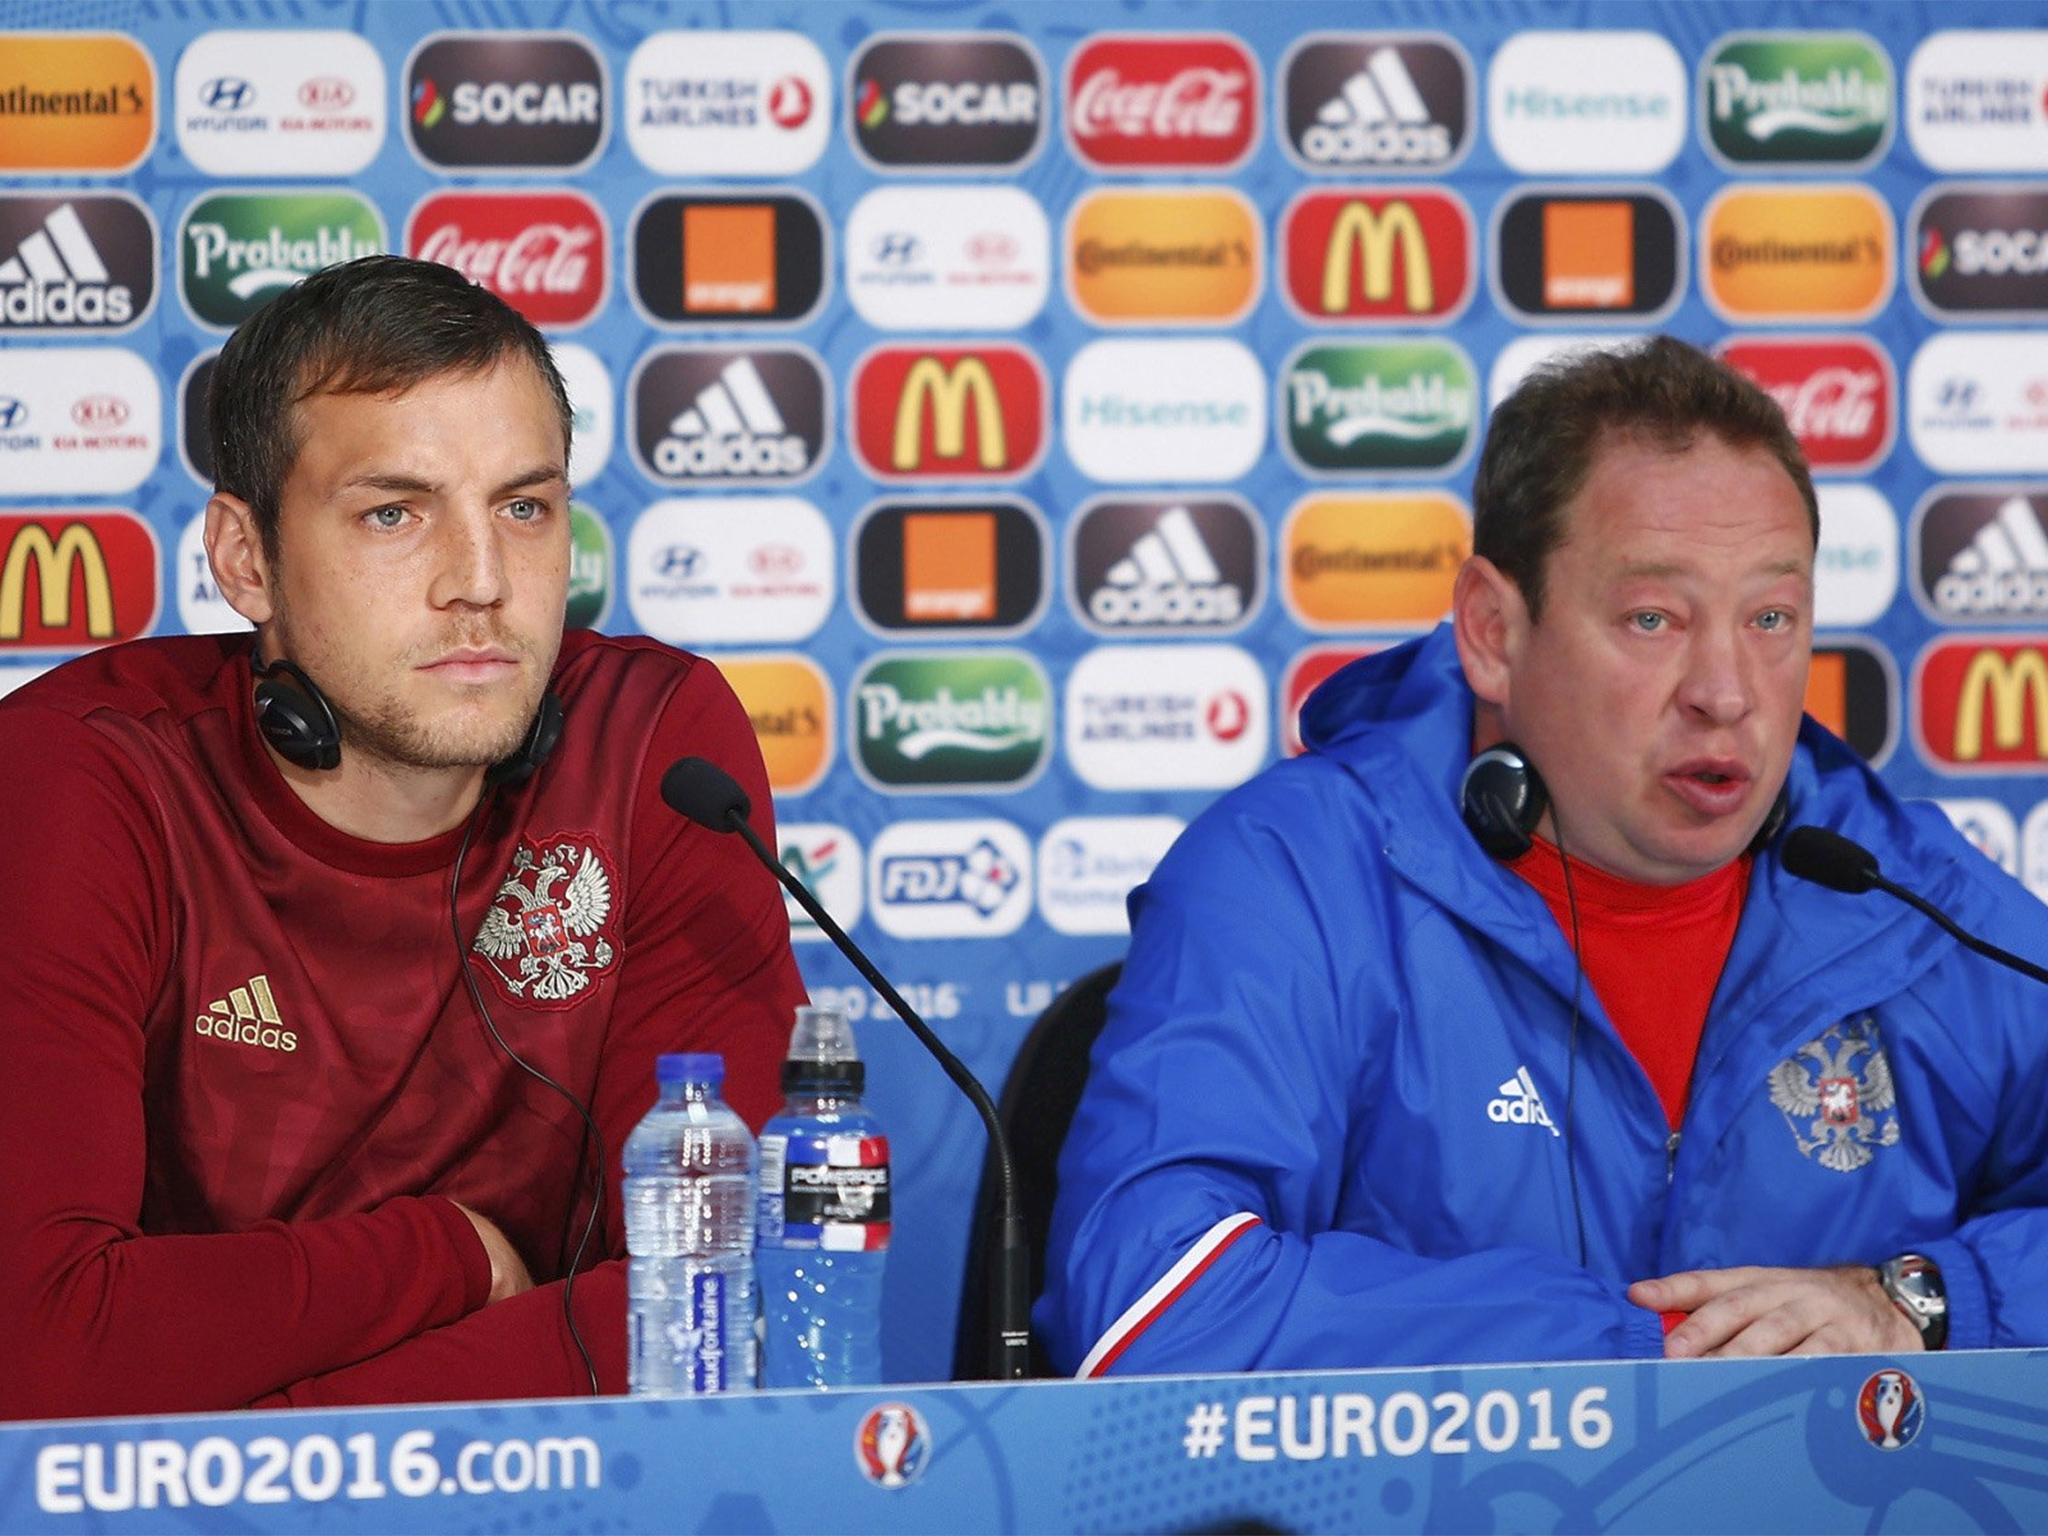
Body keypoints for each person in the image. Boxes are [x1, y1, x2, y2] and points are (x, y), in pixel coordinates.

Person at [1039, 336, 2048, 1378]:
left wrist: (1922, 1301)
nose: (1726, 689)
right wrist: (1636, 1356)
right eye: (1651, 618)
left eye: (1769, 618)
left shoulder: (1911, 905)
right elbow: (1146, 1306)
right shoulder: (1295, 877)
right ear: (1490, 631)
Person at [0, 256, 806, 1418]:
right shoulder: (82, 777)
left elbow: (736, 1300)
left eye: (522, 508)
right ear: (245, 559)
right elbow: (40, 1347)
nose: (480, 583)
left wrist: (278, 1439)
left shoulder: (651, 752)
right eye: (393, 513)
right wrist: (447, 1257)